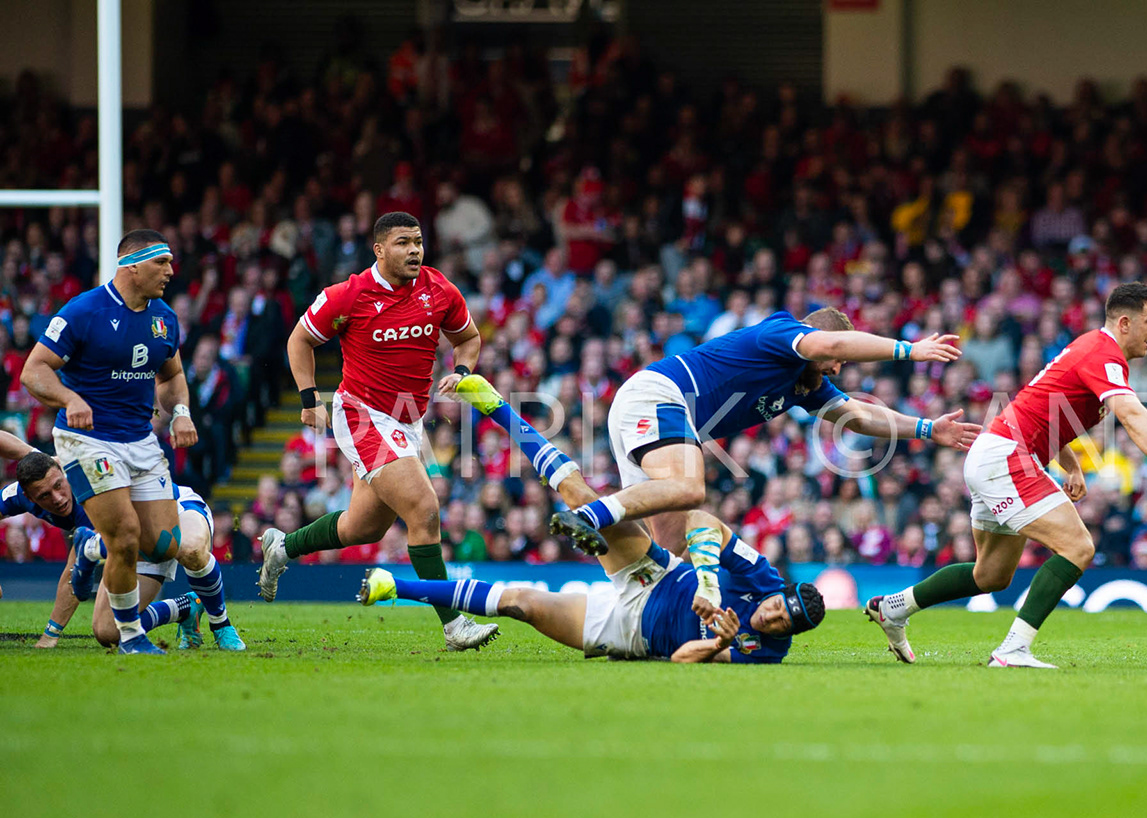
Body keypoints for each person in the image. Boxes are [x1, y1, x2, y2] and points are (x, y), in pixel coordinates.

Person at [361, 374, 822, 662]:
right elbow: (704, 521)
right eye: (779, 607)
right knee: (581, 494)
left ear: (789, 634)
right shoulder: (762, 579)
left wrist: (719, 645)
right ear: (778, 593)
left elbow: (683, 660)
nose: (771, 617)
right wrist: (707, 581)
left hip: (628, 632)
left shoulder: (766, 651)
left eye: (783, 623)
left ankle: (391, 586)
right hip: (656, 573)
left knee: (522, 604)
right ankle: (493, 404)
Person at [863, 282, 1147, 668]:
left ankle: (893, 607)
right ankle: (1013, 649)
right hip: (1009, 457)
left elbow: (1048, 412)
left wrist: (1072, 464)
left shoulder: (1091, 348)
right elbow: (1131, 413)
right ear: (1125, 323)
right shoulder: (1102, 354)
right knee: (1078, 548)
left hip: (996, 454)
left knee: (990, 575)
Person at [546, 307, 979, 557]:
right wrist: (909, 350)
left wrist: (927, 428)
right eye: (838, 358)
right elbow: (830, 347)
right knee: (690, 488)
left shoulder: (803, 385)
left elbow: (859, 416)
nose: (837, 368)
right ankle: (590, 514)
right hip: (660, 395)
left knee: (669, 548)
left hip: (654, 408)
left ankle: (636, 629)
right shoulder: (781, 331)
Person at [257, 212, 500, 651]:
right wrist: (308, 398)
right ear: (379, 249)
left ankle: (282, 547)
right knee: (425, 509)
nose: (414, 250)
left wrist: (461, 370)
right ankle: (453, 625)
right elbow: (299, 340)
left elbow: (468, 338)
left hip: (408, 420)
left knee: (362, 528)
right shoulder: (347, 295)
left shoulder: (437, 289)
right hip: (361, 414)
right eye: (404, 242)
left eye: (419, 242)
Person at [18, 230, 196, 655]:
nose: (171, 271)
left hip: (140, 439)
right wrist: (69, 397)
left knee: (165, 545)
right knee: (127, 535)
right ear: (132, 265)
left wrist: (182, 412)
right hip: (88, 440)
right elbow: (33, 370)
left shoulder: (164, 318)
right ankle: (133, 637)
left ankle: (89, 546)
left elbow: (171, 376)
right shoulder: (84, 311)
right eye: (162, 263)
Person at [0, 436, 241, 650]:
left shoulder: (90, 485)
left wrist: (50, 634)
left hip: (174, 510)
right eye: (44, 496)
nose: (58, 498)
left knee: (190, 550)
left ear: (63, 471)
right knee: (109, 633)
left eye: (59, 486)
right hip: (133, 541)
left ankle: (221, 625)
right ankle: (186, 608)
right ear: (28, 497)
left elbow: (73, 571)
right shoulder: (18, 493)